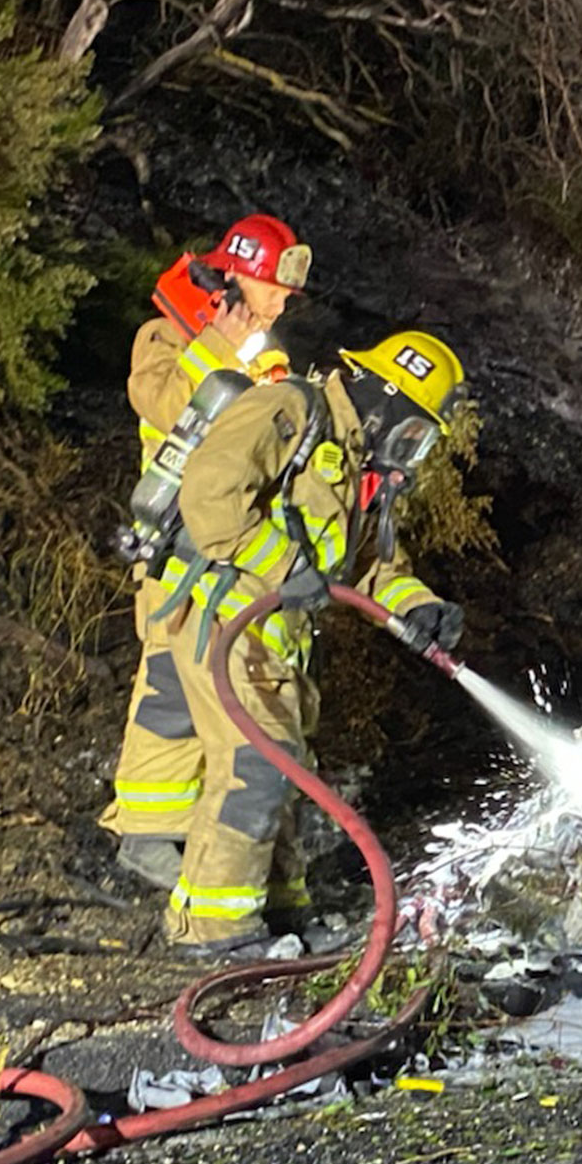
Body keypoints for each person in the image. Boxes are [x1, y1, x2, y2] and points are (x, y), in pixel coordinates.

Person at [147, 329, 469, 957]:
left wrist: (418, 607)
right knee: (255, 765)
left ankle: (282, 909)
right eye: (413, 433)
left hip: (280, 644)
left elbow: (372, 567)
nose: (411, 451)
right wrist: (283, 564)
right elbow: (210, 493)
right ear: (384, 400)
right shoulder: (290, 409)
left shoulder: (354, 465)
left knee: (287, 770)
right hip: (224, 620)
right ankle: (210, 927)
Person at [102, 215, 311, 892]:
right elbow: (161, 403)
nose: (280, 306)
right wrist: (216, 345)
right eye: (272, 290)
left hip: (223, 551)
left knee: (202, 688)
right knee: (168, 688)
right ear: (236, 277)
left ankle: (187, 828)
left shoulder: (263, 352)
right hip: (171, 546)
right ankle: (144, 832)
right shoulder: (166, 335)